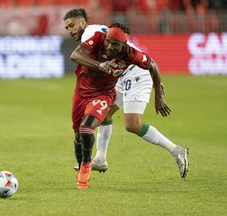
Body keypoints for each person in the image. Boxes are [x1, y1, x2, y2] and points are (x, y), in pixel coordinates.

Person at [64, 8, 189, 181]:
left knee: (132, 124)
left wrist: (158, 92)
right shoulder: (98, 32)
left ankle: (176, 150)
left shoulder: (89, 36)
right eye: (67, 28)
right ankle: (100, 158)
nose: (70, 31)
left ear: (83, 23)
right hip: (117, 74)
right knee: (105, 112)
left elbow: (145, 61)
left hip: (135, 73)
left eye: (72, 25)